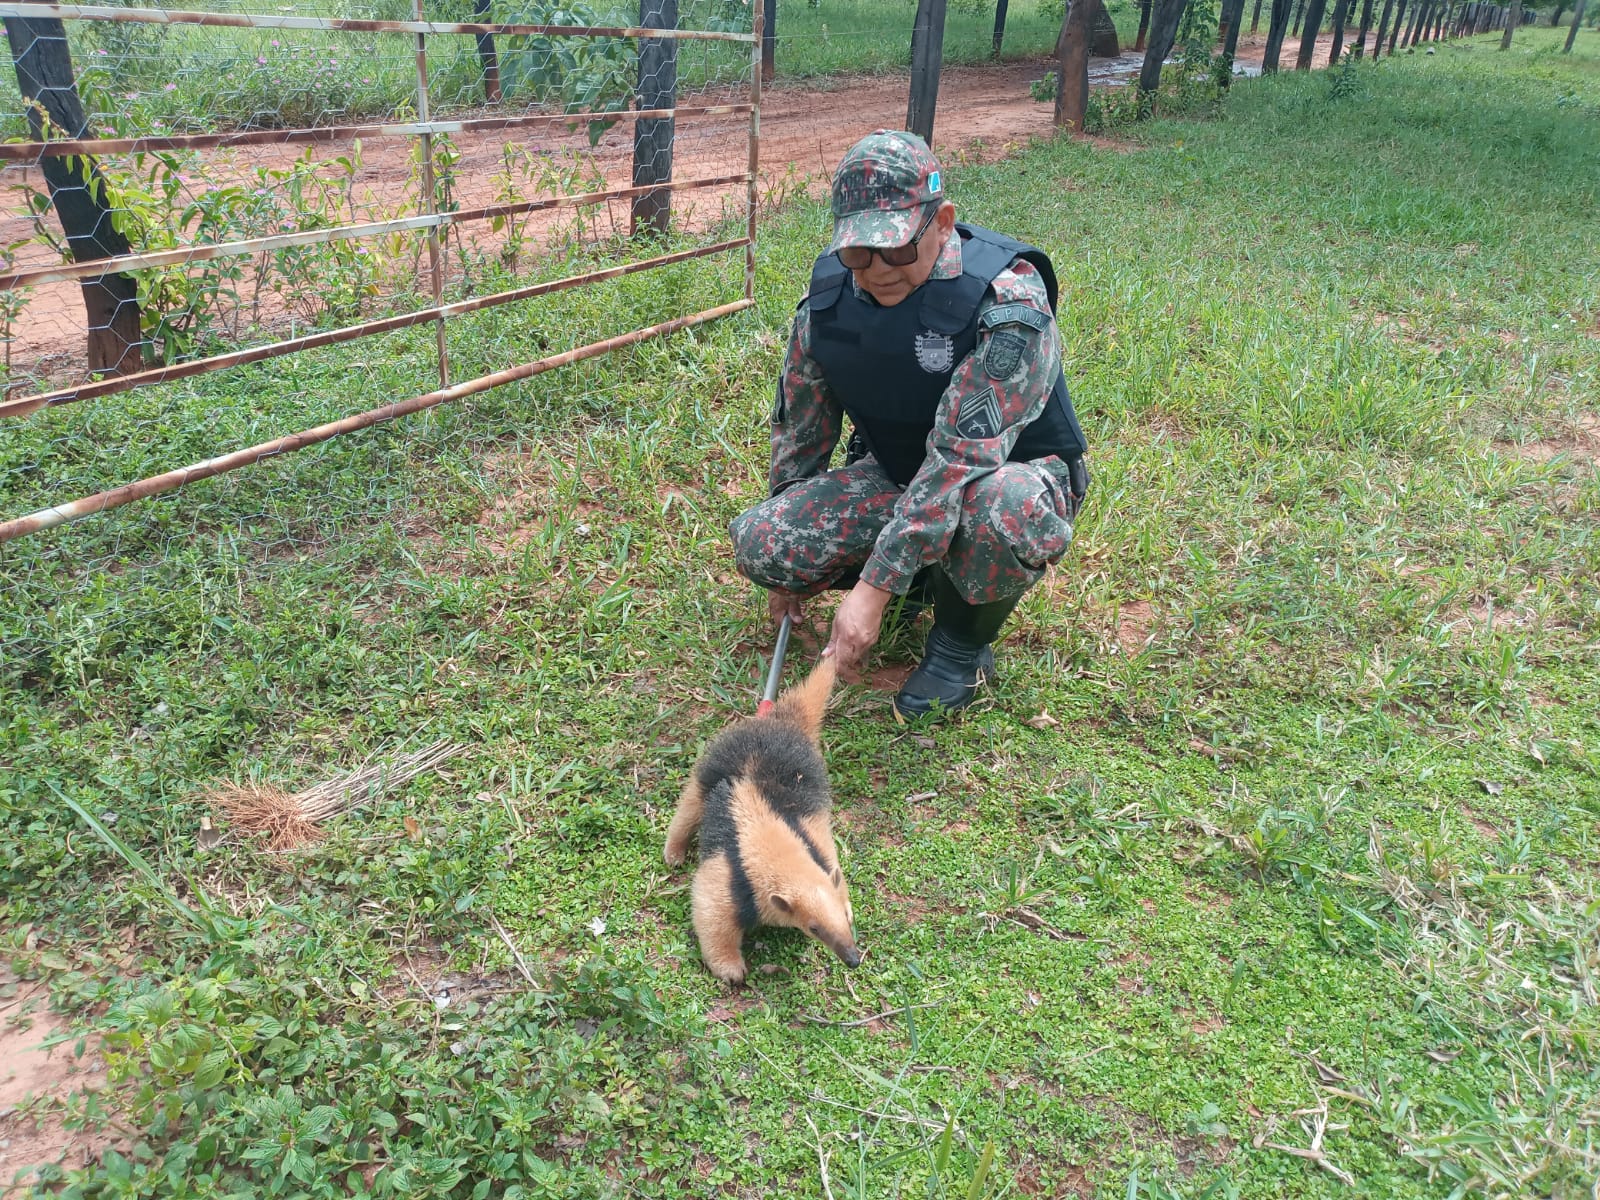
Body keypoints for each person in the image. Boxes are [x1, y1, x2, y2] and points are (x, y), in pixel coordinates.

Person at [730, 129, 1090, 720]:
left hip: (1007, 476)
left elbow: (960, 460)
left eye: (895, 249)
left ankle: (960, 647)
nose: (876, 271)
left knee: (998, 504)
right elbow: (801, 436)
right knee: (765, 541)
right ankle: (921, 576)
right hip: (899, 473)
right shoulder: (827, 301)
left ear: (942, 222)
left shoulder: (1007, 297)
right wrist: (791, 575)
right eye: (858, 253)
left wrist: (873, 587)